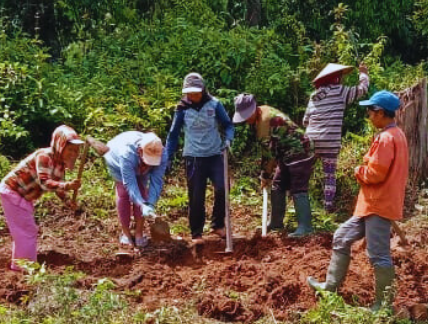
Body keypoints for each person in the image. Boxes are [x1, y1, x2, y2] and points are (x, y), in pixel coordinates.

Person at [308, 90, 407, 312]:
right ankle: (330, 287)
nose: (369, 116)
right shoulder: (396, 135)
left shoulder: (386, 138)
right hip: (371, 204)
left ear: (380, 112)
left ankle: (383, 306)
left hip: (379, 204)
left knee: (378, 254)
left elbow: (375, 173)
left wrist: (359, 170)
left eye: (370, 112)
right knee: (342, 237)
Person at [0, 124, 85, 271]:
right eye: (70, 149)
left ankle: (21, 264)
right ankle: (26, 267)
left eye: (76, 150)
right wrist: (68, 185)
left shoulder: (60, 164)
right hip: (13, 192)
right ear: (60, 145)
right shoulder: (44, 156)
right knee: (27, 230)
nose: (73, 153)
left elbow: (57, 187)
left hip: (24, 196)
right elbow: (44, 182)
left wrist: (69, 202)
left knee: (24, 230)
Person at [232, 93, 315, 238]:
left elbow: (268, 155)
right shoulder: (261, 112)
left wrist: (265, 175)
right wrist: (268, 176)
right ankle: (276, 223)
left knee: (298, 187)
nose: (246, 120)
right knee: (278, 184)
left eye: (247, 115)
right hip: (285, 153)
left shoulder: (264, 122)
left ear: (254, 109)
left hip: (300, 150)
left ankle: (306, 227)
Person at [164, 72, 235, 240]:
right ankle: (196, 233)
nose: (193, 95)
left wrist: (228, 140)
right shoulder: (181, 109)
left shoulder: (214, 104)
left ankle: (218, 225)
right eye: (189, 92)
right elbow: (173, 135)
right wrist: (168, 157)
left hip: (215, 155)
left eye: (196, 91)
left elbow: (228, 125)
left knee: (222, 188)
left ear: (203, 90)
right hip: (194, 157)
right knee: (196, 196)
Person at [303, 62, 370, 213]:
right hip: (330, 141)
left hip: (311, 140)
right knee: (329, 175)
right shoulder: (340, 91)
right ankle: (328, 207)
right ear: (336, 79)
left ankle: (303, 204)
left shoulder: (314, 96)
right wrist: (363, 73)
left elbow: (305, 121)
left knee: (305, 173)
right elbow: (362, 90)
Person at [101, 131, 166, 251]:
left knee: (142, 191)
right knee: (123, 193)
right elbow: (130, 185)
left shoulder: (162, 153)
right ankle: (126, 234)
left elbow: (156, 182)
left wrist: (150, 204)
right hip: (115, 159)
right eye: (147, 160)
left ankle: (139, 234)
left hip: (135, 163)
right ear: (140, 151)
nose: (148, 164)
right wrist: (141, 204)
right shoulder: (127, 154)